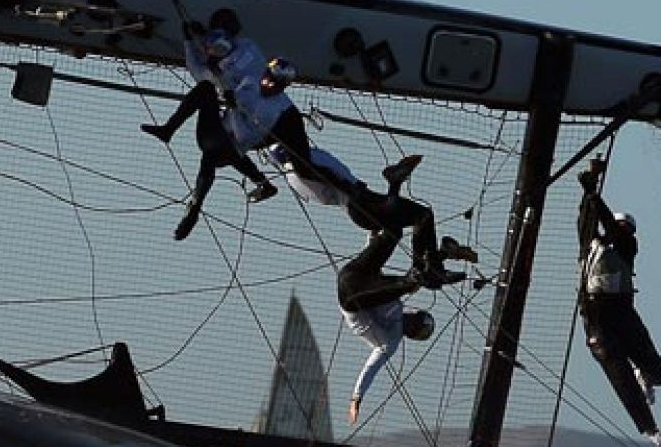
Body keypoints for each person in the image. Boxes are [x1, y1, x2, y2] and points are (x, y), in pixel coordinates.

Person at [141, 25, 279, 240]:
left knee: (216, 146)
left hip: (229, 139)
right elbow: (195, 66)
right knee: (216, 141)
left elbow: (246, 108)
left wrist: (235, 103)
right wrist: (188, 40)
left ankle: (197, 204)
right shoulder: (215, 71)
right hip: (225, 141)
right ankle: (259, 182)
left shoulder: (244, 73)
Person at [270, 143, 478, 286]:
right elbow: (323, 175)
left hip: (360, 201)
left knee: (420, 217)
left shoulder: (294, 172)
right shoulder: (299, 166)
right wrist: (346, 187)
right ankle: (431, 265)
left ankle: (432, 263)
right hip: (359, 203)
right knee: (419, 216)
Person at [576, 158, 661, 447]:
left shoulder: (628, 247)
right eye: (618, 224)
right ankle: (650, 429)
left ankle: (648, 376)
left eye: (625, 226)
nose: (620, 229)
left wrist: (594, 194)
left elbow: (606, 224)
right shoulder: (592, 245)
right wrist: (589, 189)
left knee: (659, 371)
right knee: (618, 373)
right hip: (596, 317)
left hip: (623, 313)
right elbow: (587, 221)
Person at [338, 228, 465, 424]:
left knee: (410, 284)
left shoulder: (391, 341)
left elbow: (371, 367)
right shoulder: (396, 307)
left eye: (415, 324)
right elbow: (374, 272)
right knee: (394, 234)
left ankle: (442, 258)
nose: (412, 319)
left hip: (351, 300)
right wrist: (372, 238)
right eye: (417, 318)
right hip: (354, 276)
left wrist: (356, 397)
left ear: (412, 332)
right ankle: (442, 254)